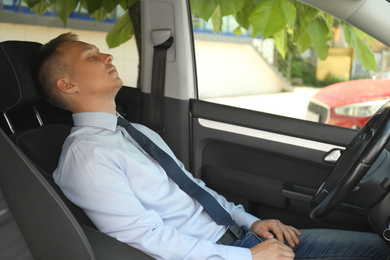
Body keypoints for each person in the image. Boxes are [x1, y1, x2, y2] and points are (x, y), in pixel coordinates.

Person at [35, 32, 390, 260]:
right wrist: (248, 257)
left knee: (376, 247)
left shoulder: (134, 131)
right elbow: (144, 237)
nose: (108, 57)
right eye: (92, 56)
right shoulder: (86, 155)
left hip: (237, 240)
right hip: (217, 254)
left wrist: (251, 223)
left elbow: (194, 190)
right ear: (67, 85)